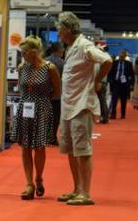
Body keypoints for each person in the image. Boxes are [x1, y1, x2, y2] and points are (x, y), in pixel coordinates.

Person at [56, 12, 112, 206]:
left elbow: (107, 60)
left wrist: (97, 81)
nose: (58, 34)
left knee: (83, 150)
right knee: (70, 149)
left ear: (67, 29)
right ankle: (76, 189)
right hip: (68, 105)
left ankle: (85, 193)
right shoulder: (71, 46)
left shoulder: (84, 45)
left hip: (81, 104)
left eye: (59, 30)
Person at [12, 36, 61, 199]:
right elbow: (21, 88)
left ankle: (39, 178)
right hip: (25, 109)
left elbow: (57, 92)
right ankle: (29, 184)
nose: (22, 55)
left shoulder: (50, 68)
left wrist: (41, 101)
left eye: (24, 52)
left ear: (34, 52)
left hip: (42, 109)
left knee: (39, 147)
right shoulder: (21, 67)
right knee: (25, 147)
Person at [46, 41, 65, 144]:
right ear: (58, 49)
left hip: (45, 93)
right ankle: (52, 137)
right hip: (57, 94)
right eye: (62, 48)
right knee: (55, 117)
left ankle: (44, 136)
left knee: (45, 116)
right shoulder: (62, 62)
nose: (63, 50)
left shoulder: (44, 60)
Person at [108, 49, 134, 120]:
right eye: (120, 55)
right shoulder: (114, 63)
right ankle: (113, 114)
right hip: (116, 83)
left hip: (124, 84)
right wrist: (110, 81)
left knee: (123, 100)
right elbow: (110, 72)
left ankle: (123, 114)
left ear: (125, 56)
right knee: (114, 99)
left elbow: (132, 74)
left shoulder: (129, 64)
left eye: (122, 56)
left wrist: (131, 84)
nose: (121, 57)